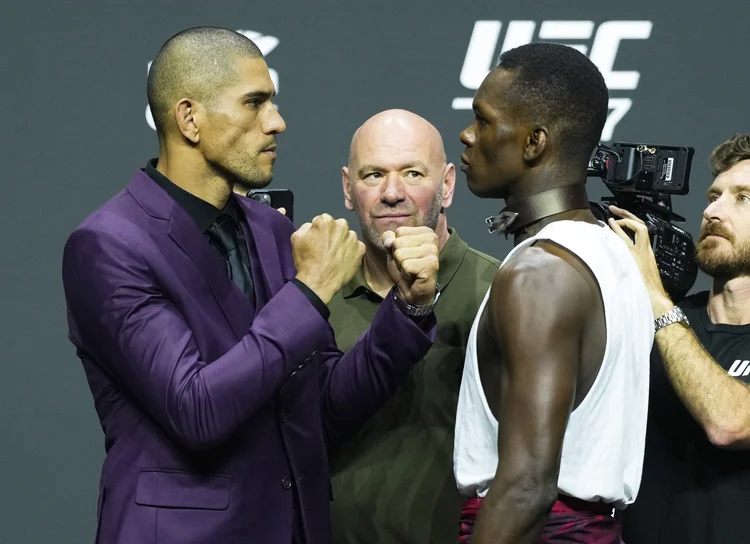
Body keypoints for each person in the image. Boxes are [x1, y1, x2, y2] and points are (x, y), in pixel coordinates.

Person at [61, 27, 441, 544]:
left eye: (273, 103)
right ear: (189, 119)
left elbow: (320, 411)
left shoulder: (271, 230)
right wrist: (308, 292)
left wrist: (409, 309)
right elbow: (197, 410)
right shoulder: (109, 245)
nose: (277, 122)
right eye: (255, 103)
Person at [452, 42, 654, 543]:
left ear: (534, 142)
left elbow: (526, 487)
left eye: (483, 120)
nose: (467, 134)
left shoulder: (541, 273)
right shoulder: (611, 252)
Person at [327, 109, 499, 544]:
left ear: (446, 184)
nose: (391, 193)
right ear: (348, 188)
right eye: (372, 175)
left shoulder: (500, 290)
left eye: (412, 173)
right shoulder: (315, 294)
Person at [612, 134, 750, 543]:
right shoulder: (648, 323)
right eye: (713, 195)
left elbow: (730, 424)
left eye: (743, 198)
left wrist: (655, 296)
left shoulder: (659, 314)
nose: (712, 211)